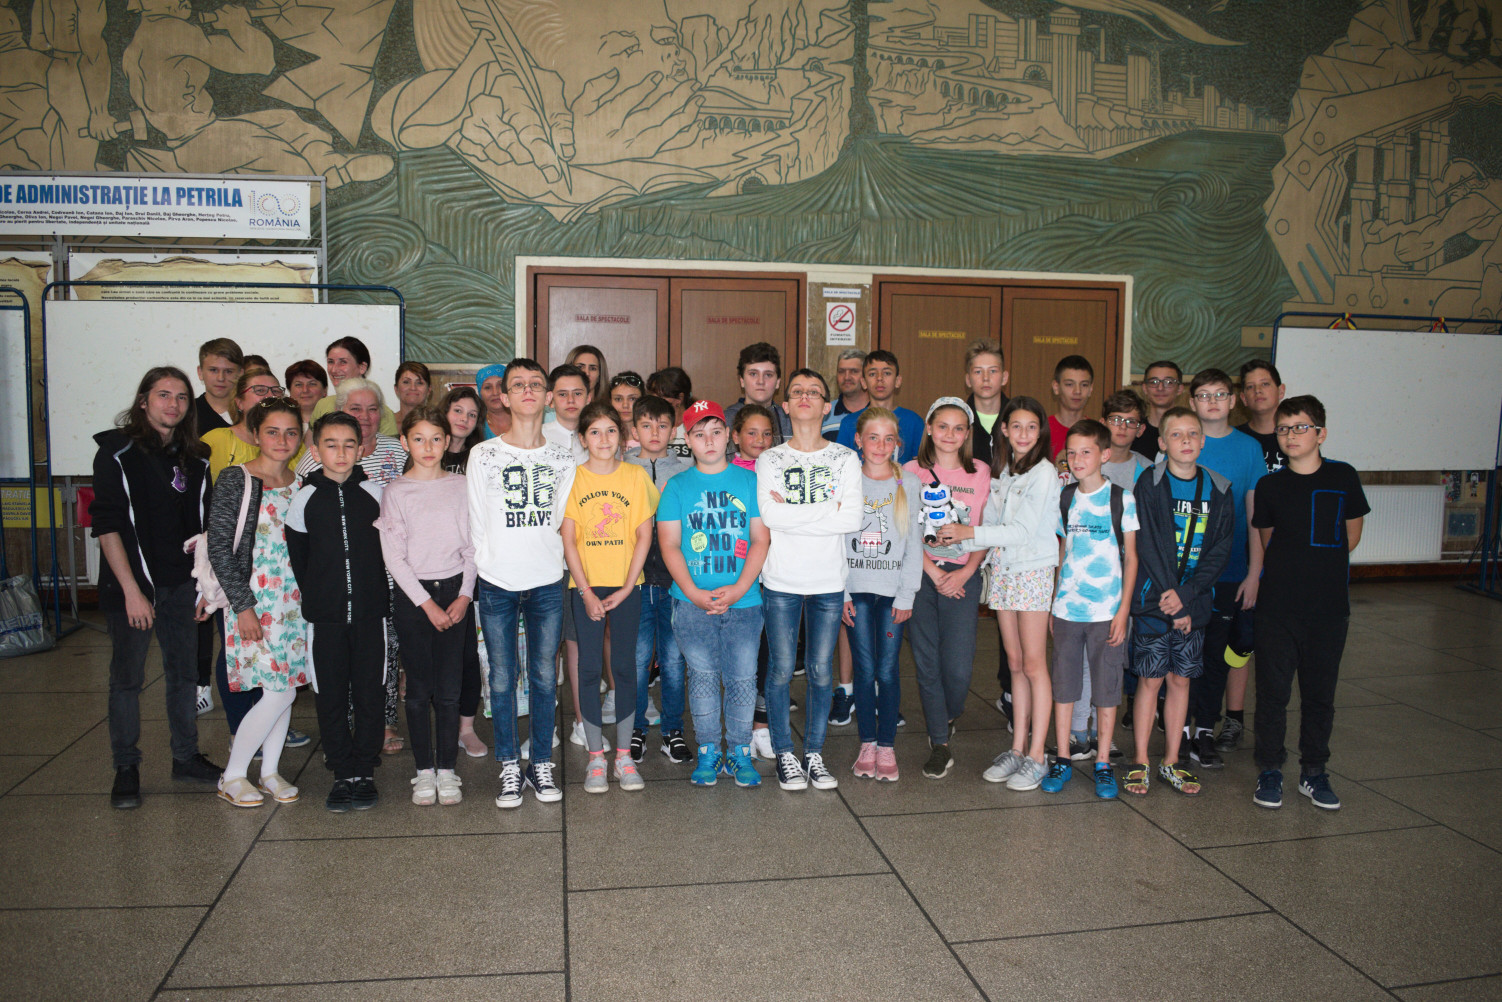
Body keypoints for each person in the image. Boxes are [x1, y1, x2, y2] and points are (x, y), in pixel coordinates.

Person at [92, 367, 220, 809]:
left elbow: (203, 528)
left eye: (182, 397)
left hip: (181, 585)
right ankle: (126, 766)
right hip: (131, 586)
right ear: (144, 400)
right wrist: (132, 591)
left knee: (184, 675)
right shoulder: (116, 451)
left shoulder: (196, 457)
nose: (174, 404)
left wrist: (204, 586)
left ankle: (185, 757)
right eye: (163, 395)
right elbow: (107, 525)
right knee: (127, 679)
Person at [1251, 396, 1368, 811]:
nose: (1290, 436)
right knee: (1272, 693)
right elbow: (1269, 541)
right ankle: (1269, 769)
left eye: (1300, 427)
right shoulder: (1269, 486)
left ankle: (1314, 771)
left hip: (1328, 608)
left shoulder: (1343, 476)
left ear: (1321, 433)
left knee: (1320, 695)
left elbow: (1351, 537)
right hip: (1277, 608)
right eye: (1283, 429)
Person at [467, 359, 575, 808]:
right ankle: (510, 764)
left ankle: (542, 763)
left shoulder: (563, 457)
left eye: (535, 384)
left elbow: (565, 521)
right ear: (504, 397)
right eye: (517, 385)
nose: (527, 391)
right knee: (502, 676)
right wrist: (489, 566)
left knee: (546, 675)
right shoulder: (483, 455)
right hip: (497, 582)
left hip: (547, 580)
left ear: (547, 397)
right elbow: (476, 520)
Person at [939, 396, 1059, 791]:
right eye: (1016, 426)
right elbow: (988, 521)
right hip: (1005, 573)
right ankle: (1018, 748)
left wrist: (969, 532)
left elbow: (1021, 532)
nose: (1023, 434)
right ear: (1004, 430)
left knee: (1035, 665)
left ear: (1040, 432)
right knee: (1016, 662)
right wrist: (952, 541)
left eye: (1031, 427)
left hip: (1033, 572)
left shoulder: (1043, 472)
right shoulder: (1004, 471)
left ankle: (1038, 755)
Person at [756, 369, 861, 791]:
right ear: (785, 406)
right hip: (781, 579)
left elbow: (851, 518)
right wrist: (827, 509)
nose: (804, 397)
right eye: (797, 391)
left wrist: (793, 513)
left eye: (813, 392)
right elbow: (770, 515)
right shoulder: (770, 459)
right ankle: (785, 753)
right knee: (781, 669)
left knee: (820, 671)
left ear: (825, 406)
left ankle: (813, 754)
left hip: (828, 581)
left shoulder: (845, 459)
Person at [296, 376, 409, 754]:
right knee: (332, 680)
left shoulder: (386, 472)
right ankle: (341, 750)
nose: (365, 415)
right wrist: (319, 591)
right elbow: (301, 549)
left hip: (378, 594)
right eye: (356, 408)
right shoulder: (308, 481)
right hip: (329, 600)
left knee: (375, 675)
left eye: (372, 409)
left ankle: (373, 746)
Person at [659, 399, 769, 788]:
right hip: (691, 603)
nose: (709, 440)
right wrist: (692, 592)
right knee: (703, 677)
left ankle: (739, 751)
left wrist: (739, 588)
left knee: (742, 678)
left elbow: (760, 539)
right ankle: (708, 749)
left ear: (728, 437)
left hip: (745, 602)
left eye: (716, 432)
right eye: (699, 434)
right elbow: (670, 544)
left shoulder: (749, 482)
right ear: (687, 440)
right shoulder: (677, 487)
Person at [1125, 407, 1234, 797]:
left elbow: (1220, 550)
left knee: (1181, 680)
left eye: (1192, 434)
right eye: (1176, 434)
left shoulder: (1220, 488)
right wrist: (1173, 599)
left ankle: (1172, 760)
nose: (1185, 440)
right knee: (1151, 680)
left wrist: (1187, 599)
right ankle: (1141, 759)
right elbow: (1148, 544)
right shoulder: (1149, 483)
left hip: (1194, 605)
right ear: (1161, 442)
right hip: (1154, 603)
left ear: (1203, 441)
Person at [207, 397, 309, 808]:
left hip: (294, 605)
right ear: (255, 434)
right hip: (256, 603)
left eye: (291, 432)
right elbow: (220, 548)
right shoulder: (238, 479)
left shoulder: (302, 484)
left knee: (285, 688)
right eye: (272, 431)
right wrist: (243, 606)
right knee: (279, 692)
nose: (282, 440)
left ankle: (269, 771)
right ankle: (232, 775)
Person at [285, 412, 389, 812]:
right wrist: (321, 595)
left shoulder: (376, 494)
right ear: (315, 451)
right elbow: (300, 559)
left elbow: (389, 550)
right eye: (331, 444)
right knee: (329, 695)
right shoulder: (304, 499)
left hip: (370, 615)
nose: (341, 452)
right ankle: (342, 771)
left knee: (369, 693)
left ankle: (364, 769)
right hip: (324, 618)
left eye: (349, 444)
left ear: (361, 449)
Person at [378, 406, 476, 807]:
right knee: (418, 689)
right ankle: (423, 771)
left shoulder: (462, 485)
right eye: (419, 439)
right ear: (405, 442)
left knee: (450, 688)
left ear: (447, 441)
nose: (428, 446)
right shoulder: (396, 491)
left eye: (436, 438)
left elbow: (474, 546)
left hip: (455, 590)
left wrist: (464, 596)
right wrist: (426, 604)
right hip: (413, 596)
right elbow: (394, 556)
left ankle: (447, 769)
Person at [1039, 419, 1138, 800]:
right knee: (1064, 686)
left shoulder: (1121, 499)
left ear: (1104, 454)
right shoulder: (1066, 498)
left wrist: (1123, 611)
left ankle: (1103, 762)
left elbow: (1131, 558)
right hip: (1068, 610)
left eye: (1086, 452)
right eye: (1072, 452)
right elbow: (1063, 551)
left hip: (1106, 612)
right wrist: (1054, 602)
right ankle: (1063, 758)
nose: (1077, 459)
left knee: (1106, 689)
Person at [561, 401, 656, 793]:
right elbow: (568, 539)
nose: (604, 439)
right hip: (585, 587)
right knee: (587, 670)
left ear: (622, 435)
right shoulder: (572, 478)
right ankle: (596, 759)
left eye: (611, 430)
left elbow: (644, 534)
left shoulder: (635, 476)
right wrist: (585, 591)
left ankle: (624, 757)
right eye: (595, 432)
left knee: (625, 668)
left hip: (627, 586)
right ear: (583, 439)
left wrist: (628, 586)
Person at [1183, 368, 1267, 770]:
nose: (1212, 401)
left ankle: (1204, 729)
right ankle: (1180, 727)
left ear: (1233, 401)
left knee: (1217, 655)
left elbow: (1255, 517)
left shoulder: (1249, 449)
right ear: (1192, 402)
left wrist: (1254, 573)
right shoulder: (1184, 441)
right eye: (1204, 395)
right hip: (1186, 574)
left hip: (1232, 571)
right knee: (1185, 653)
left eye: (1220, 394)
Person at [903, 397, 989, 779]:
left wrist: (966, 572)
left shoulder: (981, 472)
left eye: (958, 428)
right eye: (942, 426)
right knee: (926, 662)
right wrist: (933, 574)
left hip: (963, 574)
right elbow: (906, 530)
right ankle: (939, 742)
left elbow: (985, 527)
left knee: (957, 667)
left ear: (967, 434)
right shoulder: (910, 471)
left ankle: (948, 714)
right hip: (920, 573)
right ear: (929, 429)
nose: (950, 434)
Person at [843, 407, 922, 782]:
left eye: (888, 439)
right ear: (858, 440)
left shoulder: (910, 483)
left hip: (892, 593)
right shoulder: (846, 481)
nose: (880, 445)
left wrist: (907, 595)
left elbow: (914, 545)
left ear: (897, 444)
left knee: (887, 670)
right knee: (864, 669)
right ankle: (868, 743)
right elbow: (835, 541)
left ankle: (887, 745)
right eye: (872, 437)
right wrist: (841, 592)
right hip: (855, 590)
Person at [622, 395, 692, 763]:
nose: (655, 432)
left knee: (673, 660)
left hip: (674, 580)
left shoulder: (685, 470)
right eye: (646, 425)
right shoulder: (621, 469)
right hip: (634, 580)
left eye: (662, 425)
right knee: (636, 660)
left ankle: (672, 730)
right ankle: (634, 729)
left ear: (673, 430)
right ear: (634, 430)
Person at [437, 386, 489, 757]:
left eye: (472, 414)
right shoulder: (425, 452)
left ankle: (466, 727)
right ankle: (441, 725)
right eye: (458, 410)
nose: (464, 419)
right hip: (432, 567)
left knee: (469, 653)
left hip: (472, 566)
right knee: (436, 655)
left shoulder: (481, 457)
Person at [731, 403, 778, 758]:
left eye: (767, 433)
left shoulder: (778, 471)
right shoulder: (726, 474)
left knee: (767, 654)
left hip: (774, 575)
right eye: (751, 433)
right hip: (737, 577)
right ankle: (739, 726)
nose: (760, 440)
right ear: (735, 437)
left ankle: (761, 725)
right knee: (739, 658)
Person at [202, 369, 297, 482]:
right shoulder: (216, 441)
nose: (271, 396)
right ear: (239, 403)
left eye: (276, 391)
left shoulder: (294, 444)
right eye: (260, 390)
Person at [834, 350, 926, 465]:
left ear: (897, 381)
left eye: (887, 373)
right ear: (863, 382)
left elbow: (921, 468)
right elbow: (840, 467)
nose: (879, 378)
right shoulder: (849, 423)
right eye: (872, 374)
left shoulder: (914, 422)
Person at [309, 336, 399, 436]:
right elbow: (312, 443)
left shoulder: (384, 414)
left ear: (362, 367)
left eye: (343, 362)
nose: (334, 370)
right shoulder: (323, 405)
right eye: (330, 362)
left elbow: (389, 446)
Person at [726, 342, 793, 449]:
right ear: (742, 380)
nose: (761, 381)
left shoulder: (790, 421)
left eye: (768, 375)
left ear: (777, 383)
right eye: (753, 374)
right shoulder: (724, 421)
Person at [964, 339, 1010, 468]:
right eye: (978, 372)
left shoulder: (1017, 416)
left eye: (993, 371)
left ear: (1004, 378)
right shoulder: (959, 420)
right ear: (968, 380)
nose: (985, 378)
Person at [1237, 359, 1288, 474]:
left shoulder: (1295, 436)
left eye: (1265, 384)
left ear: (1281, 391)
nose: (1257, 390)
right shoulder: (1235, 438)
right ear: (1244, 398)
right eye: (1250, 387)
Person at [1048, 355, 1095, 461]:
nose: (1077, 391)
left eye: (1084, 385)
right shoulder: (1042, 430)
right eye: (1069, 384)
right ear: (1056, 387)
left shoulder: (1096, 434)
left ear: (1090, 389)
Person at [542, 363, 590, 463]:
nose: (571, 400)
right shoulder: (539, 437)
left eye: (577, 393)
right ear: (551, 400)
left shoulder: (599, 436)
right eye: (563, 394)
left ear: (588, 398)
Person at [1137, 360, 1184, 462]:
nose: (1160, 388)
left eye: (1168, 382)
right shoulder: (1134, 432)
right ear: (1145, 388)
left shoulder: (1188, 434)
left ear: (1179, 389)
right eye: (1154, 382)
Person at [195, 337, 243, 434]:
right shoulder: (187, 414)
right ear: (200, 372)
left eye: (228, 371)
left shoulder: (250, 414)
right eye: (213, 370)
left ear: (240, 374)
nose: (221, 378)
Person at [646, 366, 694, 458]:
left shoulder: (696, 424)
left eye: (660, 398)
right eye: (653, 397)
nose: (655, 402)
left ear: (680, 398)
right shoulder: (648, 423)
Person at [822, 348, 868, 441]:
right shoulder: (824, 413)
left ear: (866, 375)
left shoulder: (879, 412)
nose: (846, 377)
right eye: (841, 371)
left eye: (854, 371)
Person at [284, 359, 329, 431]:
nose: (305, 390)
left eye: (312, 384)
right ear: (290, 390)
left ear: (325, 390)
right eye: (298, 385)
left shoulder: (337, 422)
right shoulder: (280, 423)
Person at [475, 363, 511, 440]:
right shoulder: (475, 427)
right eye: (488, 387)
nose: (495, 393)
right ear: (480, 393)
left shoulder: (526, 421)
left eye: (500, 385)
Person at [392, 361, 433, 428]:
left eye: (419, 383)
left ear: (429, 390)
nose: (413, 388)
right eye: (406, 382)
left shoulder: (438, 425)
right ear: (396, 389)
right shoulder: (382, 425)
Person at [610, 372, 644, 449]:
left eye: (632, 399)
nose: (625, 405)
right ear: (610, 401)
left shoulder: (652, 437)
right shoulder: (603, 438)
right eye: (618, 399)